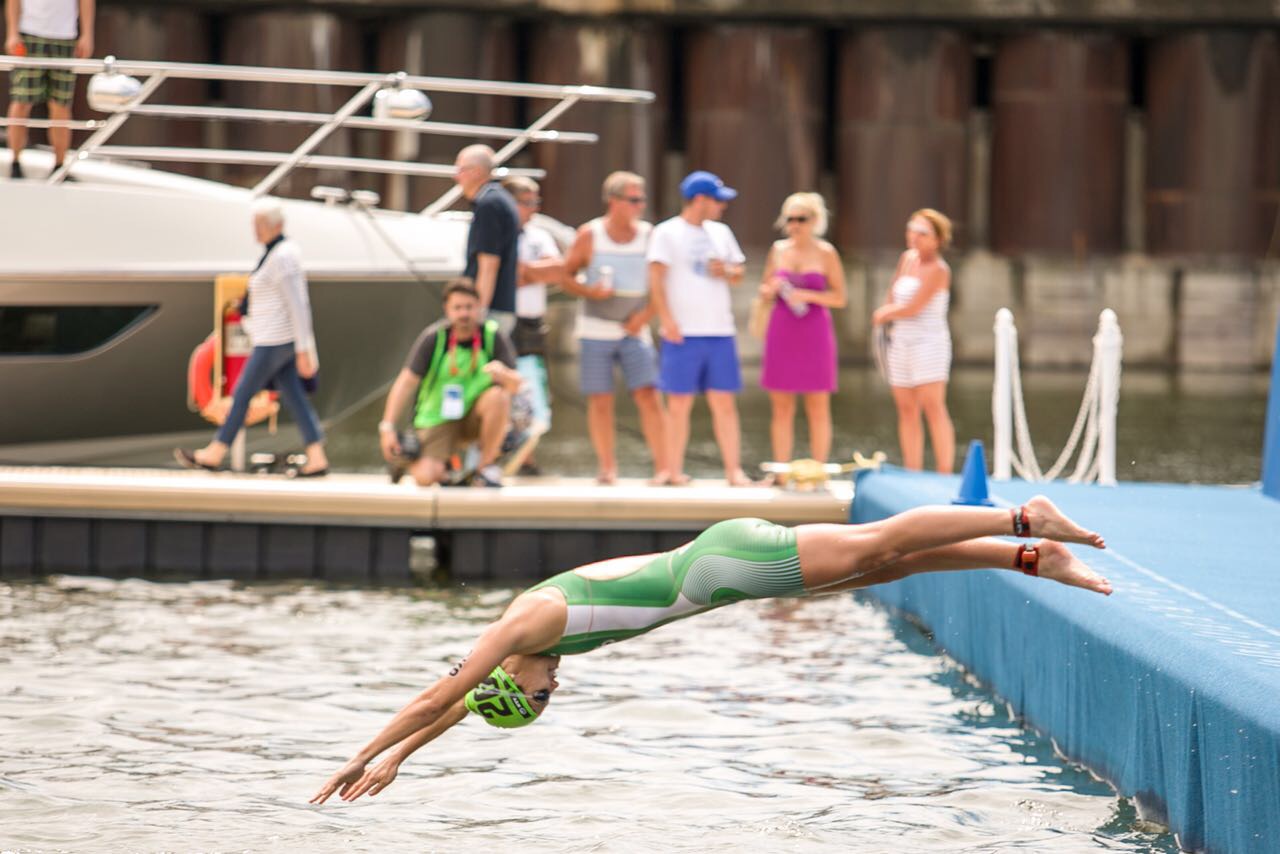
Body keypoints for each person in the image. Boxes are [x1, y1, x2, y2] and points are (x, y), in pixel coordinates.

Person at [310, 495, 1111, 804]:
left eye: (541, 696)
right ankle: (1029, 559)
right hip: (732, 577)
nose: (555, 690)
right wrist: (406, 757)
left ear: (517, 677)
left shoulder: (526, 628)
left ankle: (1022, 521)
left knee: (879, 542)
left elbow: (437, 695)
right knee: (884, 567)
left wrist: (366, 753)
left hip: (727, 563)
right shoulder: (537, 652)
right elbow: (454, 706)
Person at [175, 199, 328, 476]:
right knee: (294, 397)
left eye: (261, 224)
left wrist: (306, 349)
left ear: (276, 226)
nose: (256, 230)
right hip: (270, 338)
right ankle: (317, 456)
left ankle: (215, 452)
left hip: (275, 340)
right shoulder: (275, 254)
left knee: (243, 392)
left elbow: (299, 304)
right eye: (256, 224)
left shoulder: (284, 256)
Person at [560, 171, 670, 485]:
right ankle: (607, 468)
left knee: (649, 396)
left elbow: (663, 285)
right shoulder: (589, 234)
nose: (641, 205)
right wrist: (589, 291)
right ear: (614, 201)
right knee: (600, 400)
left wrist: (645, 316)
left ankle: (663, 468)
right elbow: (566, 277)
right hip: (595, 329)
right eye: (634, 199)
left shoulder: (650, 235)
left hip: (635, 330)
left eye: (642, 199)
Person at [648, 170, 748, 487]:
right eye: (717, 200)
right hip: (682, 332)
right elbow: (656, 279)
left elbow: (739, 273)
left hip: (720, 330)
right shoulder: (666, 232)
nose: (722, 206)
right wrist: (666, 319)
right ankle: (672, 471)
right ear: (700, 200)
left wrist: (729, 270)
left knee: (724, 403)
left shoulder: (721, 232)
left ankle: (734, 472)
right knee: (678, 404)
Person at [378, 278, 522, 488]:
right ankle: (415, 461)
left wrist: (504, 374)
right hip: (438, 418)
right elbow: (405, 383)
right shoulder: (433, 338)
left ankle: (485, 469)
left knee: (498, 397)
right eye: (457, 307)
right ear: (447, 309)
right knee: (426, 477)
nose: (464, 313)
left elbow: (516, 386)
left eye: (469, 307)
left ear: (479, 307)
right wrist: (387, 427)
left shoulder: (492, 335)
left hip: (474, 416)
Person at [757, 192, 847, 474]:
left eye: (801, 219)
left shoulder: (826, 252)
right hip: (782, 329)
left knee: (817, 404)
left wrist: (807, 295)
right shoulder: (778, 250)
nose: (795, 224)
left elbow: (840, 297)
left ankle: (817, 471)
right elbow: (765, 288)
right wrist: (768, 291)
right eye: (790, 219)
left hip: (815, 331)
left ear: (815, 221)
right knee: (781, 405)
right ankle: (781, 472)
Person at [872, 208, 956, 473]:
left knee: (933, 406)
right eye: (912, 230)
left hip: (928, 343)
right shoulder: (907, 259)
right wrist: (887, 314)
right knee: (906, 408)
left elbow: (914, 307)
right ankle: (913, 468)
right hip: (901, 342)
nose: (915, 237)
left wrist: (885, 313)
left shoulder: (939, 269)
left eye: (923, 233)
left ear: (937, 239)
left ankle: (944, 470)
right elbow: (893, 294)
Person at [504, 175, 560, 469]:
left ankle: (527, 455)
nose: (534, 209)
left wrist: (525, 272)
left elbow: (558, 270)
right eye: (528, 203)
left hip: (531, 325)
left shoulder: (539, 235)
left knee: (534, 386)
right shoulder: (498, 231)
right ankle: (504, 449)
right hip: (504, 322)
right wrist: (532, 273)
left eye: (536, 202)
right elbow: (506, 275)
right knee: (506, 386)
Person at [5, 0, 94, 178]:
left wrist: (87, 35)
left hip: (65, 36)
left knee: (61, 103)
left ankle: (59, 166)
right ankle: (14, 163)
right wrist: (12, 32)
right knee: (21, 100)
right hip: (29, 34)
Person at [453, 144, 520, 336]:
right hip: (501, 306)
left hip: (491, 311)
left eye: (461, 170)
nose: (456, 177)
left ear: (476, 172)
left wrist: (478, 312)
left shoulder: (489, 205)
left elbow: (489, 264)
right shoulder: (500, 199)